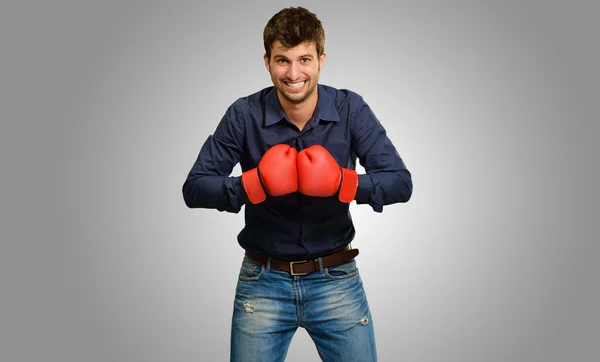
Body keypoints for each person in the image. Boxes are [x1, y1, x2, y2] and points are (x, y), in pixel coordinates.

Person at [182, 6, 412, 362]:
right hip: (263, 282)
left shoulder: (350, 109)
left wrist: (342, 182)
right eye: (282, 60)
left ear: (321, 59)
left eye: (304, 59)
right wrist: (253, 183)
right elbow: (195, 187)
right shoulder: (243, 115)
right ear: (267, 61)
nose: (293, 73)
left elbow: (400, 182)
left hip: (336, 278)